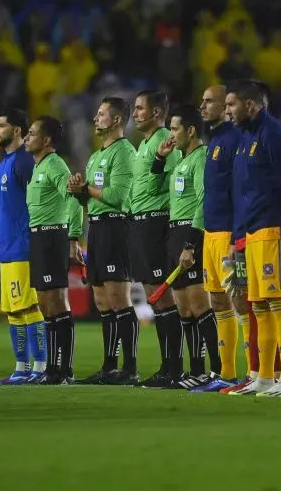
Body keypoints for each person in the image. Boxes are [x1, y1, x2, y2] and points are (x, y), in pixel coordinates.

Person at [224, 80, 281, 397]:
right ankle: (265, 377)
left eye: (232, 105)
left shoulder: (274, 135)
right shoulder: (246, 138)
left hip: (275, 229)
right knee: (260, 306)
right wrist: (239, 233)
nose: (228, 111)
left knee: (279, 301)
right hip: (252, 233)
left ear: (250, 106)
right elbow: (244, 192)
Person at [67, 97, 139, 385]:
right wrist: (78, 192)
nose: (95, 118)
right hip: (96, 228)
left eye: (101, 114)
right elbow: (93, 198)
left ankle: (130, 369)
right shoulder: (97, 155)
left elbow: (117, 197)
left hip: (116, 229)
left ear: (117, 120)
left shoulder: (124, 152)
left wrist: (88, 190)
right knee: (102, 301)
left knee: (119, 299)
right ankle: (110, 367)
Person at [155, 104, 222, 389]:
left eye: (174, 128)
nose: (170, 135)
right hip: (174, 230)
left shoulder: (201, 157)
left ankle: (216, 370)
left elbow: (203, 202)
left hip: (190, 233)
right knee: (184, 308)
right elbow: (156, 181)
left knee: (199, 305)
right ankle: (195, 371)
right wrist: (160, 157)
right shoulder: (180, 159)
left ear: (191, 130)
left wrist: (190, 244)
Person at [127, 90, 183, 388]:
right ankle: (166, 367)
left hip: (157, 222)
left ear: (157, 112)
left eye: (139, 108)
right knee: (155, 297)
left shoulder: (166, 142)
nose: (135, 114)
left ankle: (175, 367)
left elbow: (174, 183)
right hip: (141, 222)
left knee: (164, 296)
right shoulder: (144, 144)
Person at [24, 116, 85, 384]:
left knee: (57, 303)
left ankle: (64, 370)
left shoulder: (55, 165)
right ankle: (52, 368)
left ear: (46, 140)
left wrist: (73, 238)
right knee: (46, 306)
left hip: (52, 237)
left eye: (32, 133)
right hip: (39, 238)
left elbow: (73, 199)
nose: (27, 137)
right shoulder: (38, 167)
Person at [0, 109, 48, 384]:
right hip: (7, 249)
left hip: (23, 247)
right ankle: (21, 367)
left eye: (1, 125)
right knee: (13, 310)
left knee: (29, 307)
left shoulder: (24, 162)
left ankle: (40, 366)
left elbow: (35, 203)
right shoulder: (3, 163)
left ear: (16, 131)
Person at [196, 85, 246, 392]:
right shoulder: (215, 140)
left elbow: (240, 191)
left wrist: (236, 237)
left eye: (209, 101)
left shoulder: (234, 140)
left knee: (240, 301)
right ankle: (226, 374)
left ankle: (257, 373)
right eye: (202, 101)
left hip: (229, 234)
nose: (203, 106)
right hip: (210, 233)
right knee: (217, 302)